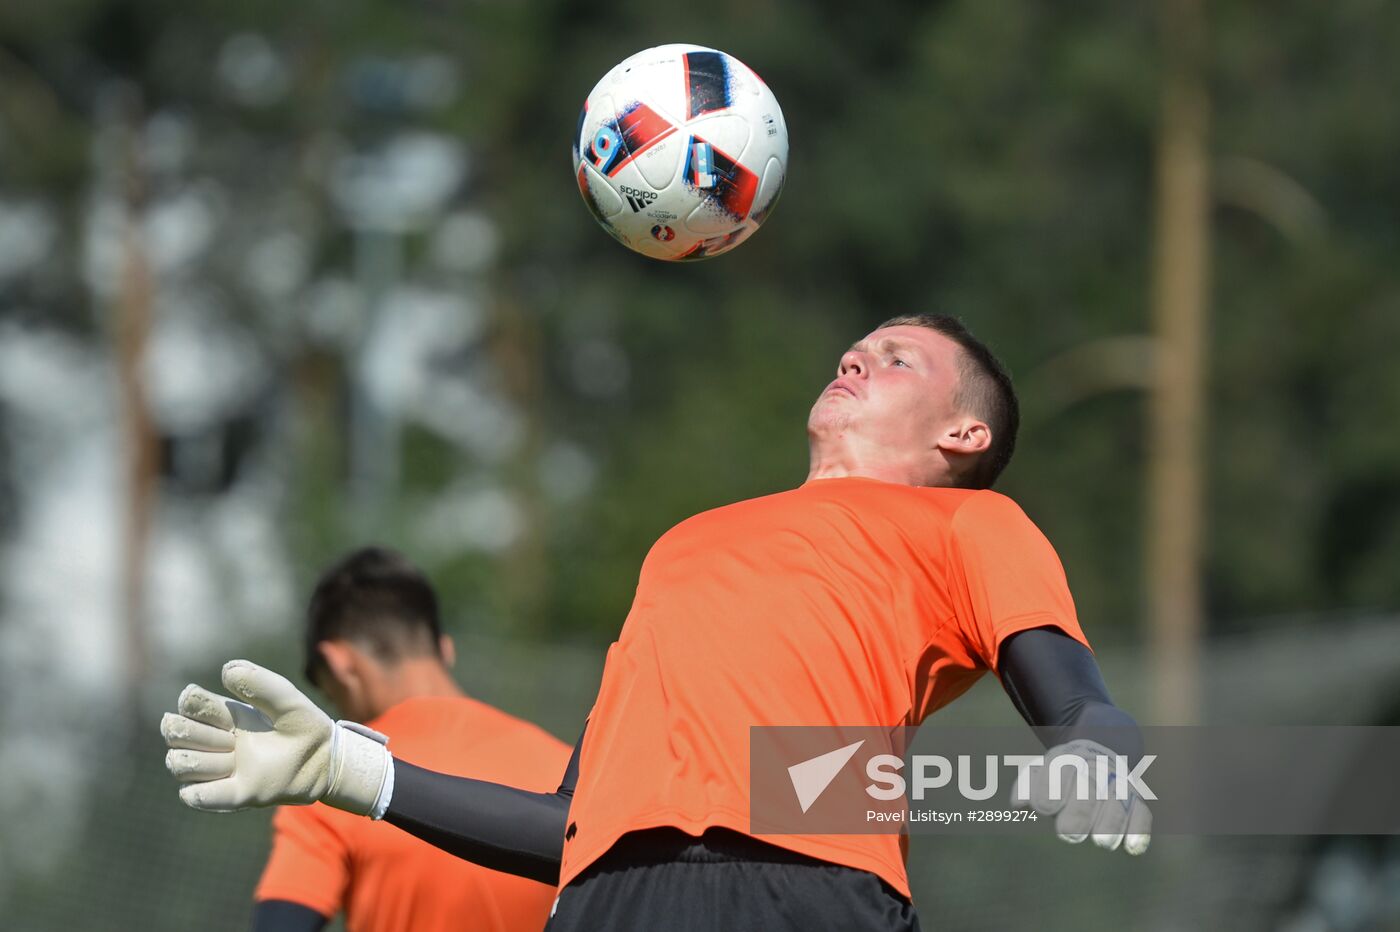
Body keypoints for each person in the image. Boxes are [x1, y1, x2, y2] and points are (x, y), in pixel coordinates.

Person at [163, 315, 1151, 931]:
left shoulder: (967, 520)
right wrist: (345, 766)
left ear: (961, 432)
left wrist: (1094, 743)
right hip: (606, 904)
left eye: (893, 359)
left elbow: (1065, 685)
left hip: (802, 880)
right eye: (853, 349)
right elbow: (571, 824)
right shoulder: (682, 542)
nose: (853, 359)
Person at [245, 547, 571, 932]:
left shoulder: (330, 776)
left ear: (341, 664)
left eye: (334, 698)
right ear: (445, 649)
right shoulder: (569, 774)